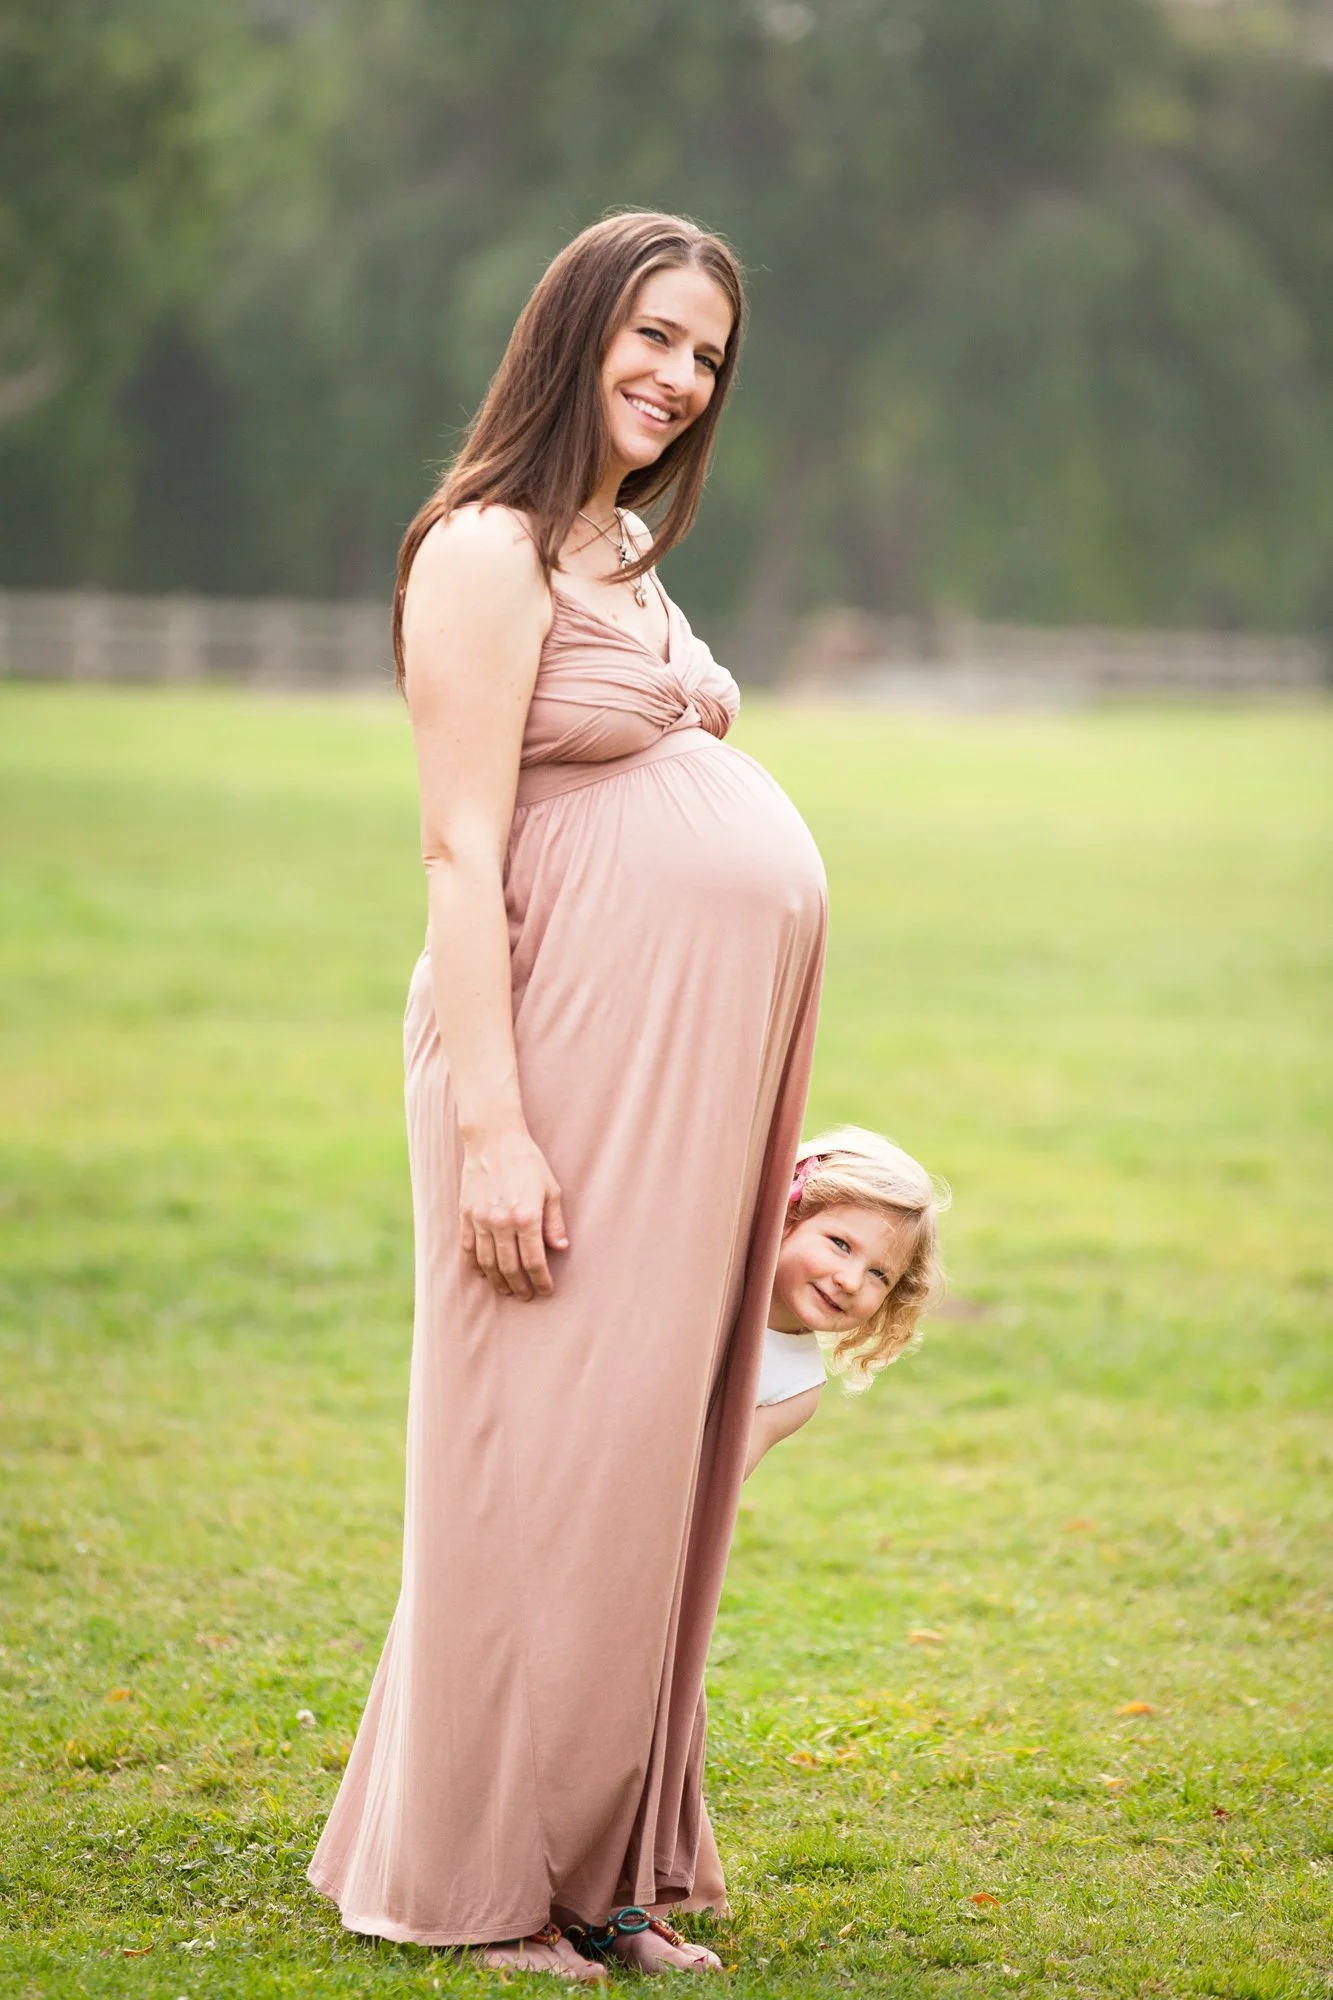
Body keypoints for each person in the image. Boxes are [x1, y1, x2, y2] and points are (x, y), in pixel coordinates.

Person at [306, 211, 827, 1981]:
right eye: (656, 337)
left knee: (629, 1469)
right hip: (548, 1070)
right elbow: (459, 852)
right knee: (526, 1462)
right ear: (577, 328)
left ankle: (600, 1871)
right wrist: (495, 1133)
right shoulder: (486, 548)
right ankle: (481, 1883)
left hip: (675, 1080)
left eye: (706, 358)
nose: (679, 380)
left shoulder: (617, 547)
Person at [746, 1128, 948, 1477]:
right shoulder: (709, 1289)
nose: (850, 1281)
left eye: (879, 1275)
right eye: (841, 1245)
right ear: (789, 1215)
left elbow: (715, 1484)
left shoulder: (794, 1387)